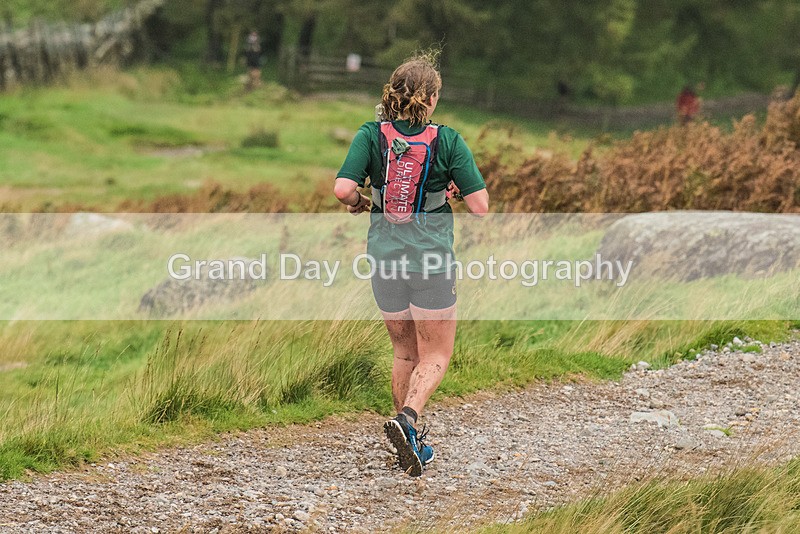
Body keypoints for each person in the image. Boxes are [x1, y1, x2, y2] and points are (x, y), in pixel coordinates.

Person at [333, 54, 490, 476]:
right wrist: (454, 191)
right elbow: (480, 207)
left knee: (405, 352)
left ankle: (409, 443)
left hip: (383, 259)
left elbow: (343, 188)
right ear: (432, 98)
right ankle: (408, 420)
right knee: (436, 353)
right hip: (431, 261)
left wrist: (361, 202)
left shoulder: (371, 134)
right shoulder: (449, 141)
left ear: (392, 93)